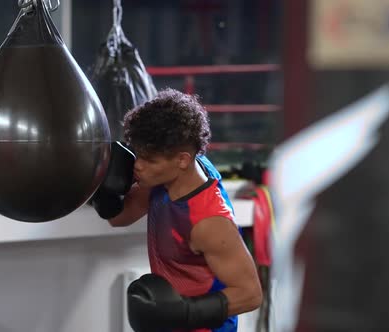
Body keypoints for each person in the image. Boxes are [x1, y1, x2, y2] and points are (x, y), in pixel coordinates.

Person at [90, 88, 262, 332]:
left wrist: (185, 312)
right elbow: (120, 217)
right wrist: (104, 193)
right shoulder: (162, 179)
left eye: (149, 159)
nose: (138, 166)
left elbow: (251, 294)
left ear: (182, 160)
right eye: (138, 155)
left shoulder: (209, 222)